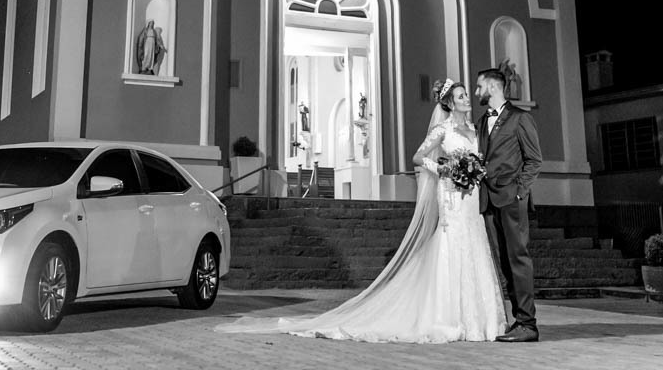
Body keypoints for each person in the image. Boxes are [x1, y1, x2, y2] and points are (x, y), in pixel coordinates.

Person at [216, 78, 505, 342]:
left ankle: (480, 320)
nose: (467, 99)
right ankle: (450, 318)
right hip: (451, 197)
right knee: (452, 247)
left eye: (466, 95)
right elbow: (418, 157)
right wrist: (443, 168)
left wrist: (475, 170)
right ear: (450, 103)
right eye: (461, 96)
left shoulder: (475, 129)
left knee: (475, 246)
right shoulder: (443, 130)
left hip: (472, 198)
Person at [476, 67, 542, 342]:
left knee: (518, 259)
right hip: (489, 200)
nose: (477, 92)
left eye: (479, 86)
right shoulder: (482, 121)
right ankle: (519, 320)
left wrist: (519, 192)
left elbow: (534, 160)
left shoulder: (520, 118)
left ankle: (528, 324)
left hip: (511, 199)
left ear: (492, 87)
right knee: (504, 262)